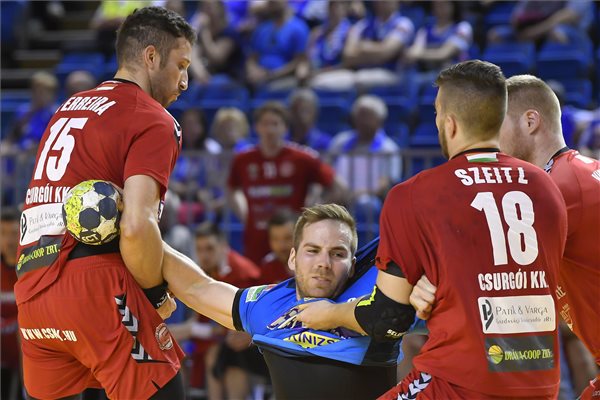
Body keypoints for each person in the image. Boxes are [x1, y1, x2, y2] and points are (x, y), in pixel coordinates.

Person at [296, 60, 568, 399]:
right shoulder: (546, 186)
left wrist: (329, 313)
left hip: (459, 383)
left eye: (438, 113)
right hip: (540, 383)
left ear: (449, 124)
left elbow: (387, 319)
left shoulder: (416, 194)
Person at [15, 7, 195, 399]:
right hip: (93, 286)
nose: (184, 81)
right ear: (151, 57)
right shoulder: (154, 119)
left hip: (32, 287)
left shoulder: (68, 107)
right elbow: (136, 225)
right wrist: (154, 295)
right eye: (181, 66)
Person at [163, 204, 406, 399]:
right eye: (312, 251)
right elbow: (197, 288)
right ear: (293, 258)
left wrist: (334, 314)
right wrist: (143, 223)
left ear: (352, 265)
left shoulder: (383, 292)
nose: (323, 263)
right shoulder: (268, 303)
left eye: (337, 254)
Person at [498, 75, 599, 399]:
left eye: (497, 124)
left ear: (530, 121)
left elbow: (495, 273)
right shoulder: (580, 170)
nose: (491, 139)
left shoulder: (555, 186)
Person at [226, 101, 346, 264]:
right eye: (265, 124)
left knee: (295, 277)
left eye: (275, 124)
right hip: (257, 238)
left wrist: (313, 213)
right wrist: (244, 213)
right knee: (257, 279)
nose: (270, 130)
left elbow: (338, 187)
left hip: (293, 237)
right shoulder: (243, 159)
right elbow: (232, 189)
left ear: (285, 128)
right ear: (257, 127)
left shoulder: (302, 158)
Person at [1, 208, 22, 400]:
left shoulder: (32, 271)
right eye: (2, 233)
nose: (8, 241)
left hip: (27, 362)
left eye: (14, 233)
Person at [258, 209, 297, 284]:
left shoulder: (311, 264)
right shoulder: (268, 267)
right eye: (275, 239)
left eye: (288, 238)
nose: (282, 245)